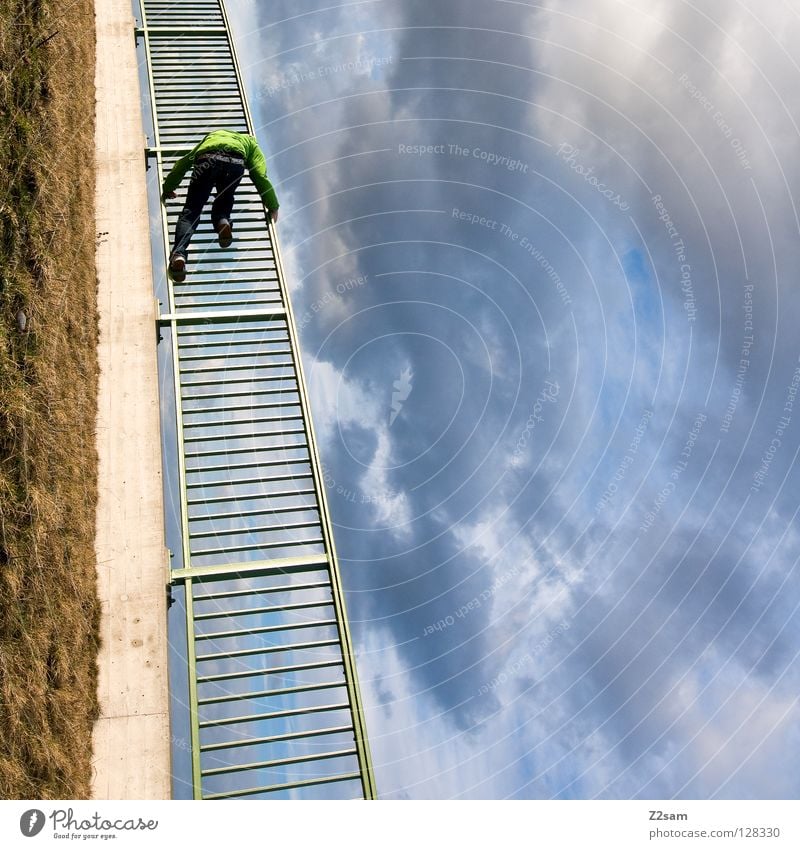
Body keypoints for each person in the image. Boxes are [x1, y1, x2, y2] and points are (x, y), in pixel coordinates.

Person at [161, 129, 280, 282]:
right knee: (225, 199)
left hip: (207, 159)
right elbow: (260, 174)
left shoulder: (212, 136)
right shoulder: (250, 143)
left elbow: (183, 163)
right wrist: (273, 205)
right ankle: (222, 221)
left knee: (192, 211)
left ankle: (179, 255)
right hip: (235, 164)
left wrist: (169, 187)